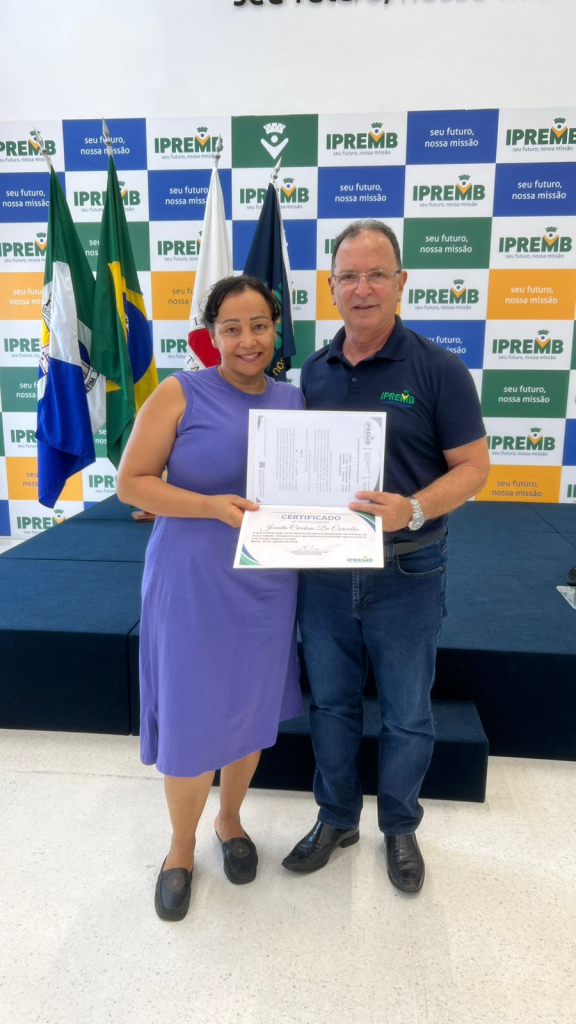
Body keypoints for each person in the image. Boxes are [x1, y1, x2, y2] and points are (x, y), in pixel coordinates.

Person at [282, 220, 489, 893]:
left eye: (376, 274)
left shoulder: (438, 368)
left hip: (408, 568)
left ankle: (400, 826)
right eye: (348, 276)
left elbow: (474, 468)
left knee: (406, 712)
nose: (362, 288)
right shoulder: (313, 371)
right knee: (331, 706)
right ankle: (337, 818)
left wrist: (414, 507)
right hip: (324, 572)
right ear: (331, 288)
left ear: (401, 284)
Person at [117, 276, 304, 921]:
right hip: (191, 582)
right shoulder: (180, 391)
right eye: (232, 328)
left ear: (275, 329)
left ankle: (230, 821)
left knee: (249, 710)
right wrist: (210, 507)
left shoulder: (295, 400)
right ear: (211, 334)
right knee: (193, 717)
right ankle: (179, 849)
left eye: (259, 325)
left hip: (267, 585)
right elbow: (132, 484)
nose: (248, 340)